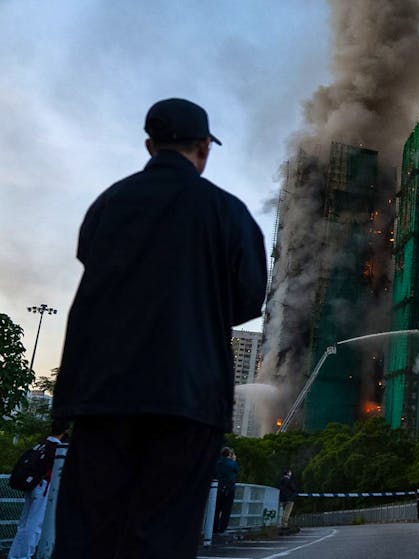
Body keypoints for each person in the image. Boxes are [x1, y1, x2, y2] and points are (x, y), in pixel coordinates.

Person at [51, 98, 267, 559]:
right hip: (186, 399)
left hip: (101, 395)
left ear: (150, 145)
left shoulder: (108, 204)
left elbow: (93, 264)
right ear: (204, 148)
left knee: (87, 534)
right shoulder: (227, 213)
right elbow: (249, 299)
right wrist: (196, 310)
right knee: (164, 535)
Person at [7, 421, 70, 559]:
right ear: (64, 432)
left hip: (31, 486)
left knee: (24, 523)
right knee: (35, 524)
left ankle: (14, 555)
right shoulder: (56, 448)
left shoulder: (41, 444)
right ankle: (25, 555)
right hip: (43, 489)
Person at [214, 447, 240, 533]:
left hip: (217, 487)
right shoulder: (232, 463)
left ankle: (214, 527)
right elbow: (237, 470)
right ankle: (222, 528)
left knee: (216, 509)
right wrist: (234, 460)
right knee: (226, 510)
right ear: (229, 454)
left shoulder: (217, 461)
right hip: (229, 488)